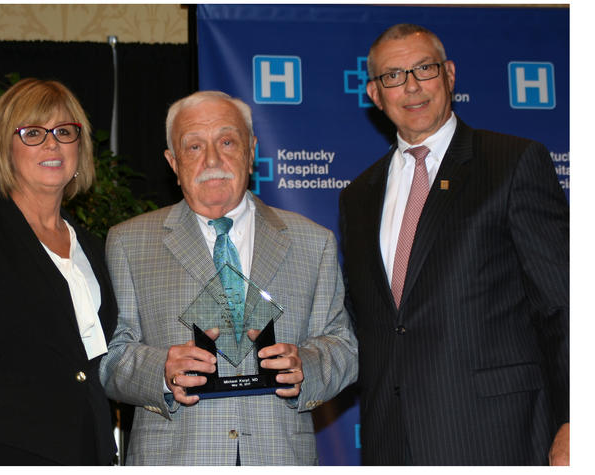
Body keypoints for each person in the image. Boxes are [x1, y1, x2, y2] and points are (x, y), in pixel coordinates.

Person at [338, 23, 569, 465]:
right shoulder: (358, 195)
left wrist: (576, 420)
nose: (411, 86)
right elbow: (367, 319)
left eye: (423, 69)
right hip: (392, 440)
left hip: (497, 435)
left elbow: (565, 304)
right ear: (374, 94)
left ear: (449, 74)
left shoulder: (512, 163)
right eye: (393, 76)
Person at [99, 90, 358, 465]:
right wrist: (162, 371)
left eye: (226, 141)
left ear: (251, 149)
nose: (213, 159)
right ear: (172, 161)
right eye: (194, 147)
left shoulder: (312, 241)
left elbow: (343, 348)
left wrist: (307, 366)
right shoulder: (129, 242)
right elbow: (110, 358)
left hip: (279, 456)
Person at [0, 78, 118, 465]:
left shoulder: (94, 248)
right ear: (4, 148)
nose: (52, 143)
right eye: (33, 132)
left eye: (64, 131)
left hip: (91, 453)